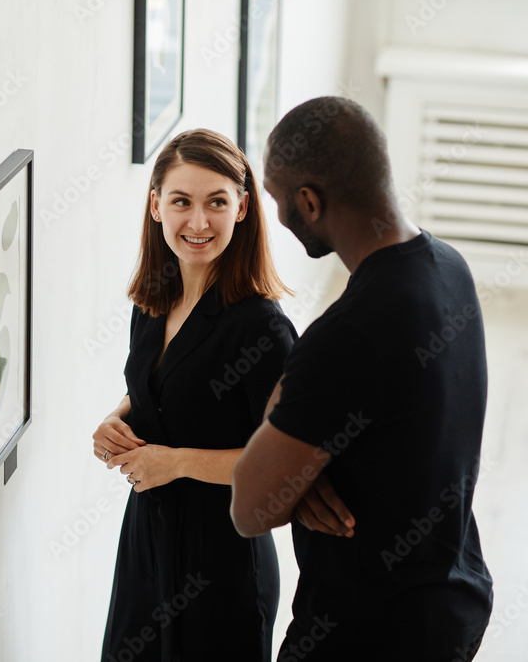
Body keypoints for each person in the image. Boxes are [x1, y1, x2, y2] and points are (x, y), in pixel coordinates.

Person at [230, 96, 493, 661]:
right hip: (452, 598)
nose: (276, 218)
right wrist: (298, 486)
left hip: (368, 631)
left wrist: (288, 474)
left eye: (277, 201)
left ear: (309, 201)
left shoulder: (347, 336)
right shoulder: (448, 266)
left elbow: (250, 507)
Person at [93, 128, 298, 661]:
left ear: (244, 207)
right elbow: (160, 391)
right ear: (156, 205)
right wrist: (118, 418)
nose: (199, 222)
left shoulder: (262, 330)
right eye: (182, 202)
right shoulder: (152, 301)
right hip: (147, 539)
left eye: (217, 202)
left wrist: (176, 462)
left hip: (223, 557)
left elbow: (285, 465)